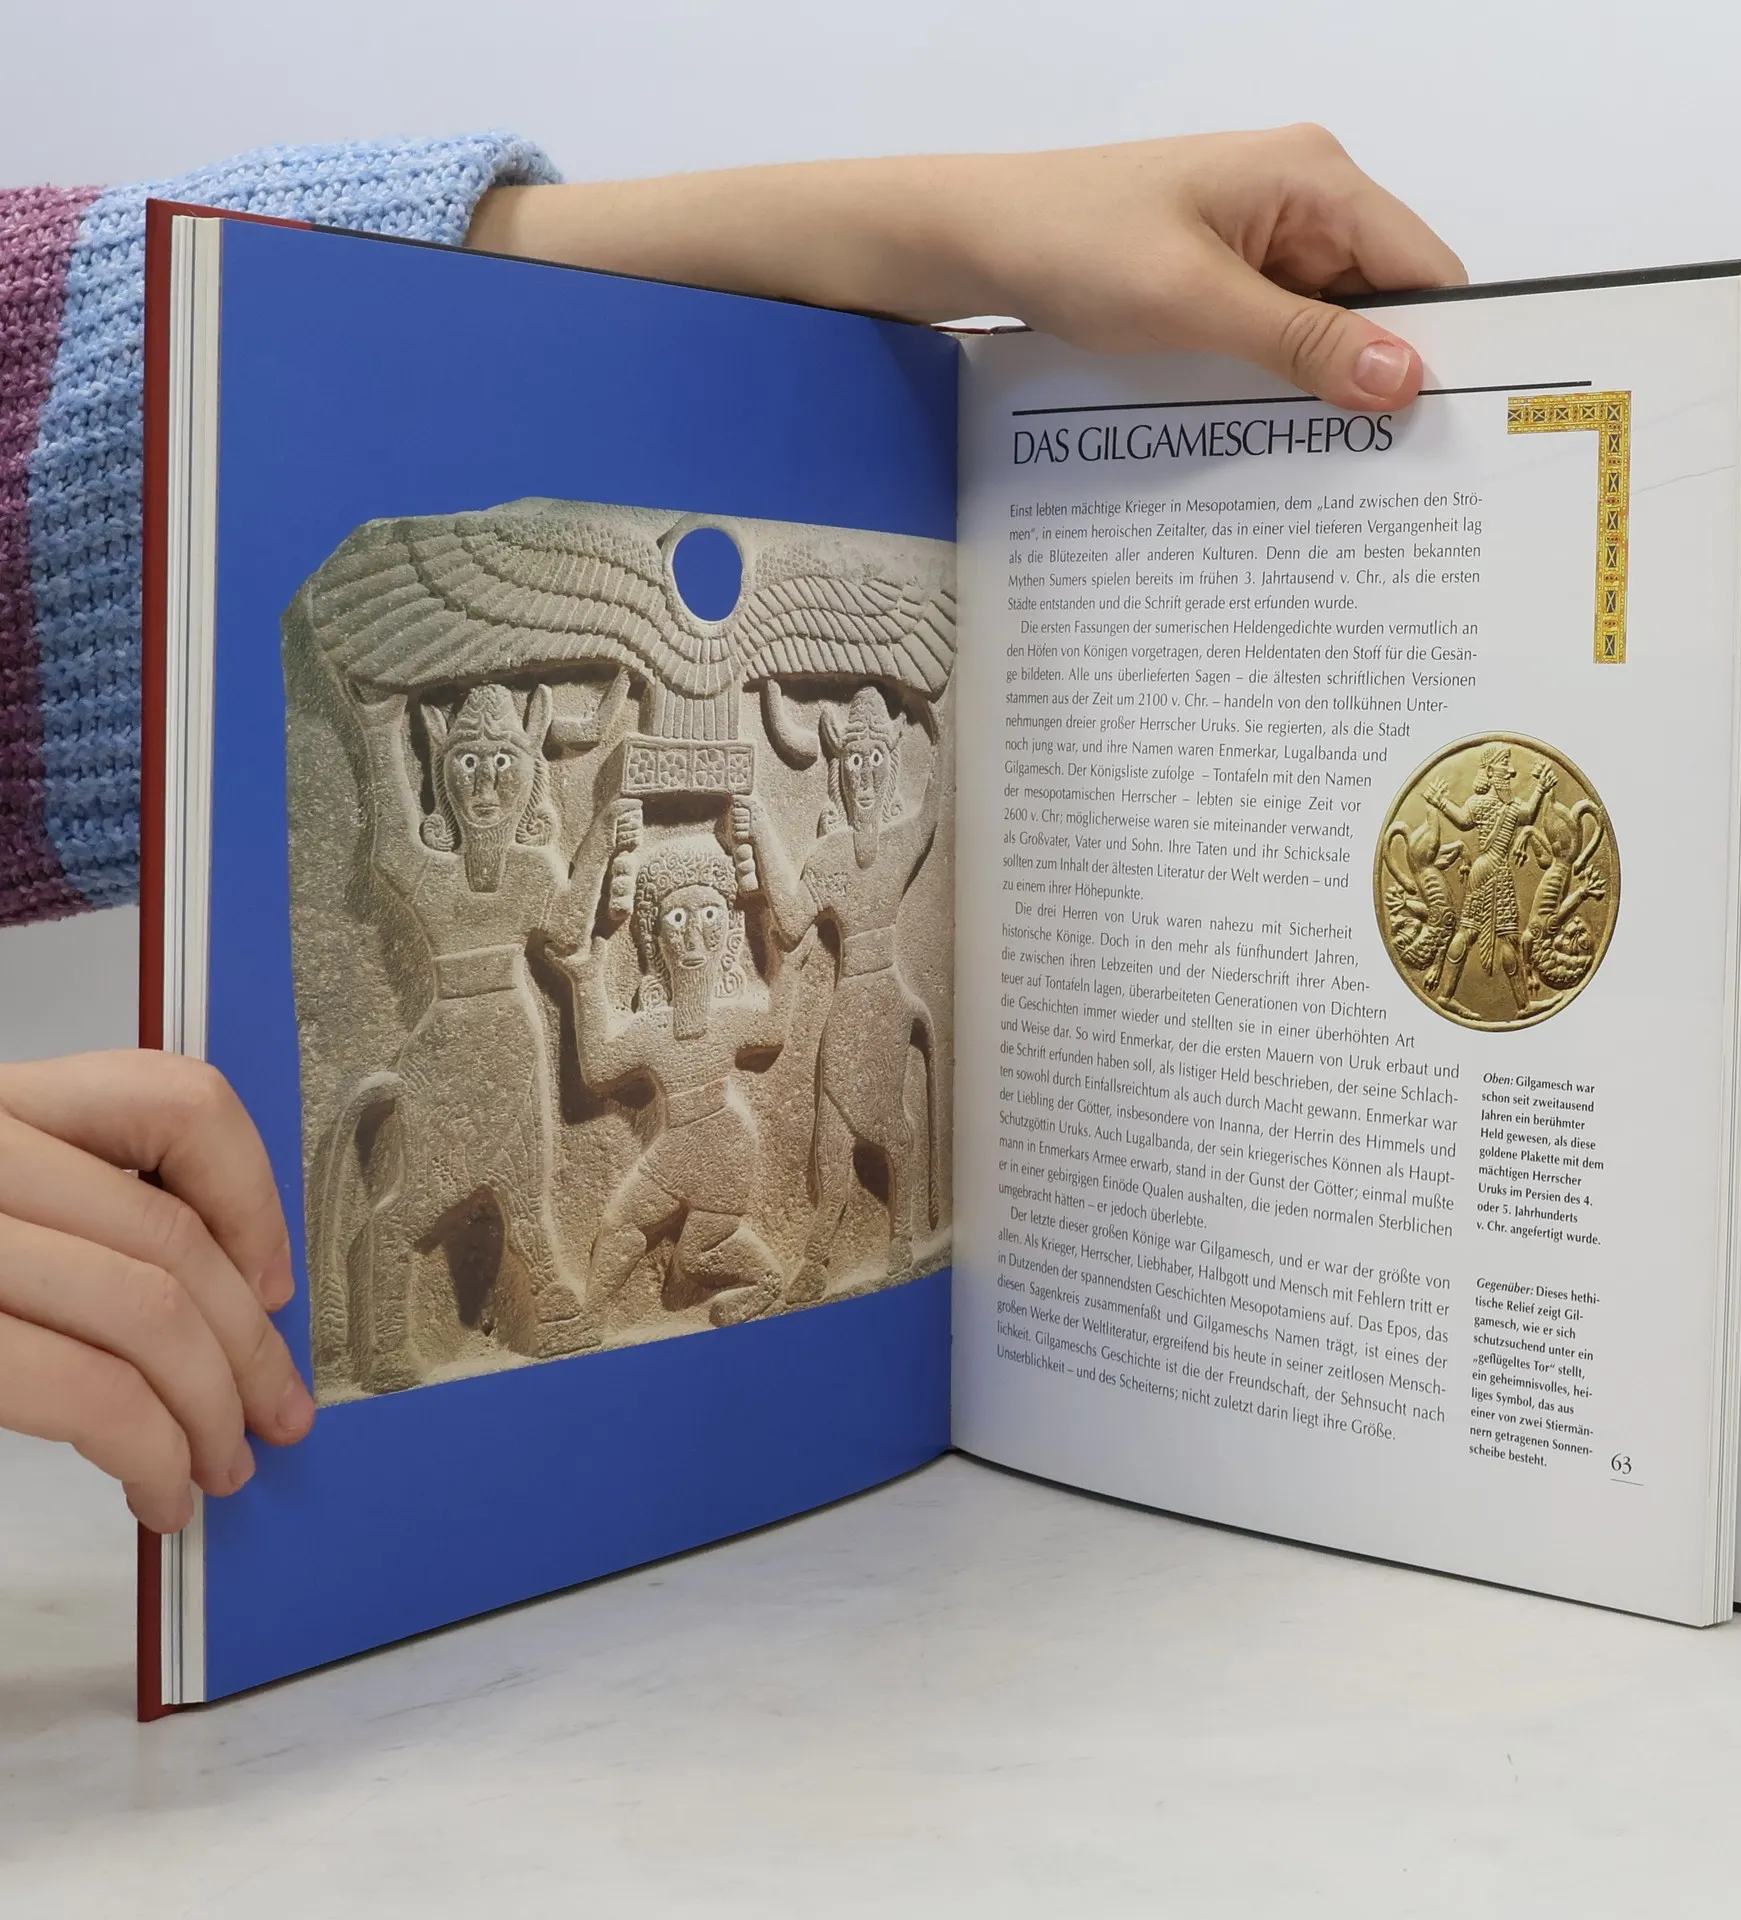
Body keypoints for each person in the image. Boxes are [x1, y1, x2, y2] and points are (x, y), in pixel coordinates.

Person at [0, 124, 1463, 1532]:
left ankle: (738, 1254)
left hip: (752, 1051)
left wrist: (667, 880)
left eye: (511, 766)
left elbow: (706, 938)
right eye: (479, 769)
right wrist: (602, 890)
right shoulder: (540, 892)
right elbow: (597, 1002)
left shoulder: (742, 896)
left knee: (753, 1176)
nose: (497, 787)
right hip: (507, 1060)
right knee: (571, 1218)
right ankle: (620, 1277)